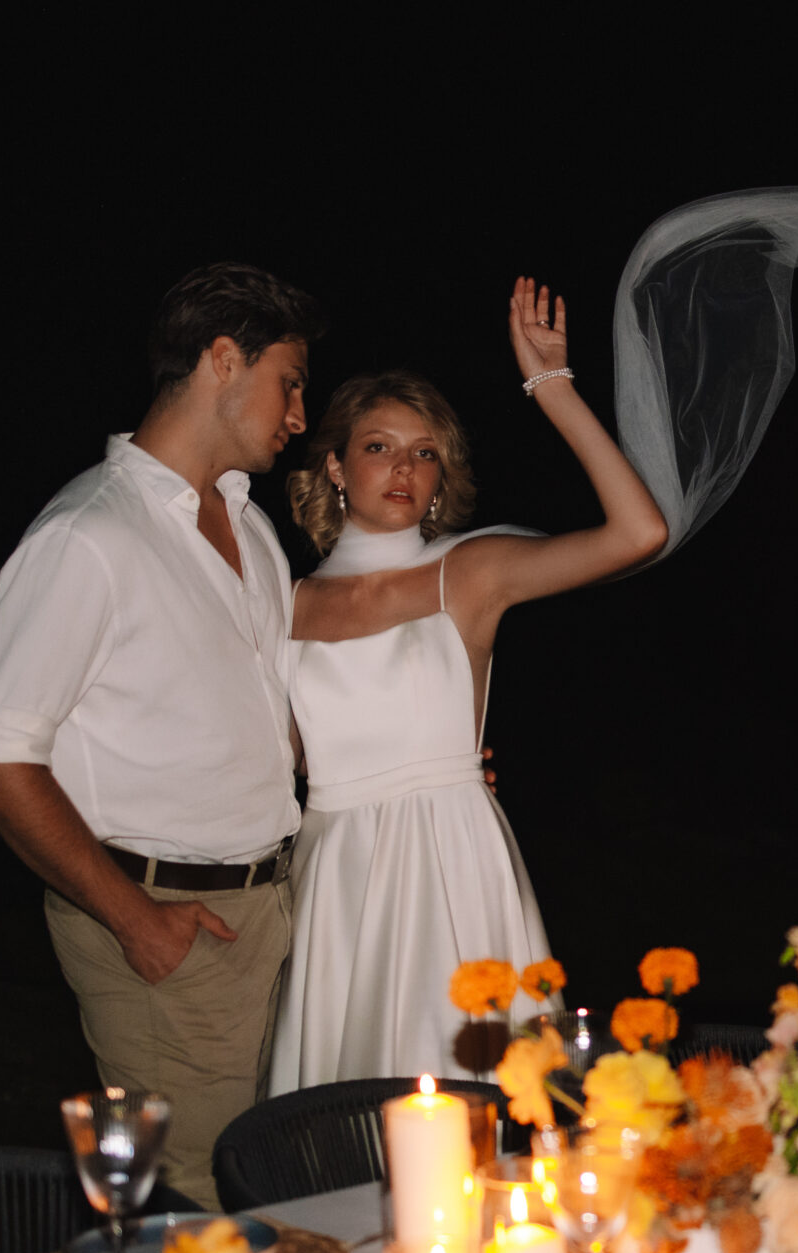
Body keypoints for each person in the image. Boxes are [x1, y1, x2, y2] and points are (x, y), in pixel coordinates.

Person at [0, 263, 448, 1209]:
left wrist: (417, 766)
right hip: (167, 918)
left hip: (280, 906)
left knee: (294, 1183)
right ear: (225, 360)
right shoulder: (89, 536)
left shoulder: (249, 526)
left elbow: (277, 728)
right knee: (203, 1208)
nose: (301, 414)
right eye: (289, 381)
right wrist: (134, 921)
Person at [267, 277, 667, 1091]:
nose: (403, 468)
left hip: (451, 858)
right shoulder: (286, 601)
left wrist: (551, 386)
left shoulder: (470, 573)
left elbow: (640, 532)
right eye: (379, 446)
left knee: (468, 1106)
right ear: (336, 465)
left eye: (425, 453)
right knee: (339, 1118)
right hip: (333, 871)